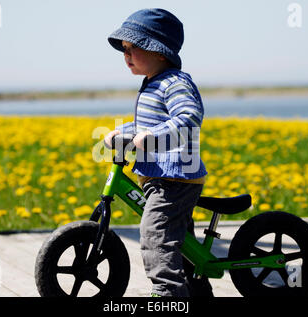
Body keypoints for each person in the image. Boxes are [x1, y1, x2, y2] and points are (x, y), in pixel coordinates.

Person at [104, 8, 213, 297]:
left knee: (156, 236)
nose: (126, 55)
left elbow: (189, 118)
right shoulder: (153, 83)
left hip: (174, 178)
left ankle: (168, 293)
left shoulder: (175, 82)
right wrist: (124, 132)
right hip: (161, 177)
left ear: (159, 52)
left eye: (133, 48)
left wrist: (153, 137)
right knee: (180, 242)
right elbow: (146, 125)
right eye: (124, 50)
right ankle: (196, 290)